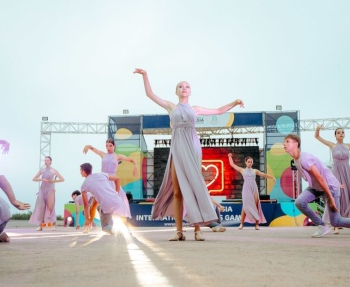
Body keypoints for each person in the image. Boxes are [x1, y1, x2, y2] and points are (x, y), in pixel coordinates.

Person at [134, 68, 244, 241]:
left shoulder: (196, 109)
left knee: (194, 187)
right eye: (180, 86)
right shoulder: (171, 107)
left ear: (190, 91)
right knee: (177, 192)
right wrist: (145, 75)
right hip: (177, 147)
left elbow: (218, 111)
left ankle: (198, 230)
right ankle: (179, 232)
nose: (184, 88)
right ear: (176, 91)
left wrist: (235, 102)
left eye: (187, 86)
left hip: (192, 146)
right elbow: (150, 94)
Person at [282, 134, 350, 238]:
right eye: (284, 142)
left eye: (287, 141)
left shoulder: (304, 159)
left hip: (329, 187)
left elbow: (320, 178)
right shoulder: (296, 160)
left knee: (336, 221)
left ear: (296, 144)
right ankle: (321, 225)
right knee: (299, 202)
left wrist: (331, 197)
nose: (284, 144)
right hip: (317, 187)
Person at [83, 138, 137, 224]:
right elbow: (93, 149)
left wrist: (135, 167)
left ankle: (124, 225)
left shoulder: (117, 156)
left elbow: (132, 160)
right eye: (107, 146)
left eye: (110, 146)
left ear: (114, 146)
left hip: (113, 181)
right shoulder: (103, 154)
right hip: (103, 180)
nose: (108, 148)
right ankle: (89, 223)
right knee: (95, 202)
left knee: (120, 202)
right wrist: (87, 146)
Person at [228, 153, 275, 230]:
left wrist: (272, 177)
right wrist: (229, 156)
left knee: (256, 206)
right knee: (245, 206)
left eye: (251, 162)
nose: (250, 163)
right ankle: (241, 224)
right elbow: (232, 164)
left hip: (254, 188)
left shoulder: (255, 171)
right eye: (248, 162)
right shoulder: (242, 170)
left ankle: (257, 224)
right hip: (246, 189)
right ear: (245, 162)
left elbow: (263, 175)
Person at [79, 163, 123, 234]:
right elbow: (117, 179)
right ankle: (110, 223)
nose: (80, 172)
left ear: (83, 172)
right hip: (118, 200)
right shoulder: (102, 175)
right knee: (99, 207)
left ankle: (119, 231)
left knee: (105, 227)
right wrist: (116, 193)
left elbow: (86, 205)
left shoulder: (84, 185)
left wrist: (87, 219)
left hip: (107, 205)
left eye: (80, 171)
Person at [29, 156, 64, 231]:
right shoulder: (42, 170)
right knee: (41, 207)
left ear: (50, 162)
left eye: (47, 160)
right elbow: (34, 178)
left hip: (50, 189)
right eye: (45, 160)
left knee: (51, 207)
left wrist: (53, 181)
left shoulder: (53, 170)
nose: (46, 161)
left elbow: (62, 179)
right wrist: (42, 179)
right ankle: (40, 225)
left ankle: (54, 224)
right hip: (42, 189)